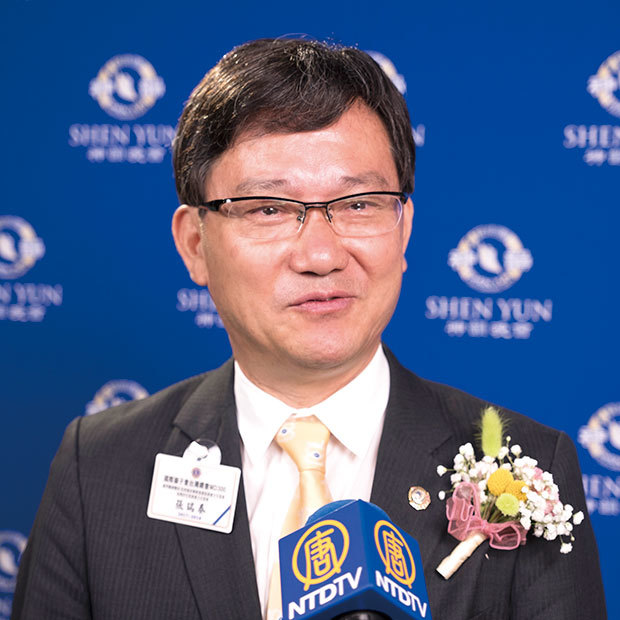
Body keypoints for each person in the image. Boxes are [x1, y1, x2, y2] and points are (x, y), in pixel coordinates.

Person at [12, 38, 606, 620]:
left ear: (403, 230)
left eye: (359, 204)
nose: (321, 255)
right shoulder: (99, 467)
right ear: (195, 243)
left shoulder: (526, 469)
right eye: (270, 208)